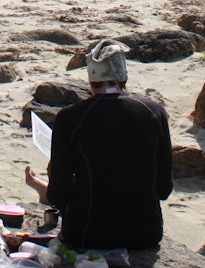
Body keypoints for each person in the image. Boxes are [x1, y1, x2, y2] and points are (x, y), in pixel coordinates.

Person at [24, 41, 173, 250]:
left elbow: (60, 195)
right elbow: (164, 189)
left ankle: (41, 188)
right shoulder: (154, 112)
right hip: (146, 234)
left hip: (86, 234)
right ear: (124, 77)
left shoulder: (70, 118)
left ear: (91, 80)